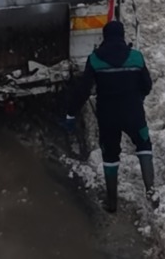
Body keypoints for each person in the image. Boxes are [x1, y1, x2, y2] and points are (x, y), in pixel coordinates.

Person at [63, 19, 155, 212]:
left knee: (110, 155)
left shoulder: (95, 59)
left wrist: (71, 113)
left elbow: (83, 91)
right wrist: (138, 97)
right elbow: (147, 85)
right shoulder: (136, 57)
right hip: (133, 113)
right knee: (144, 145)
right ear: (122, 36)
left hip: (108, 117)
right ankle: (151, 190)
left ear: (105, 37)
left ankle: (112, 203)